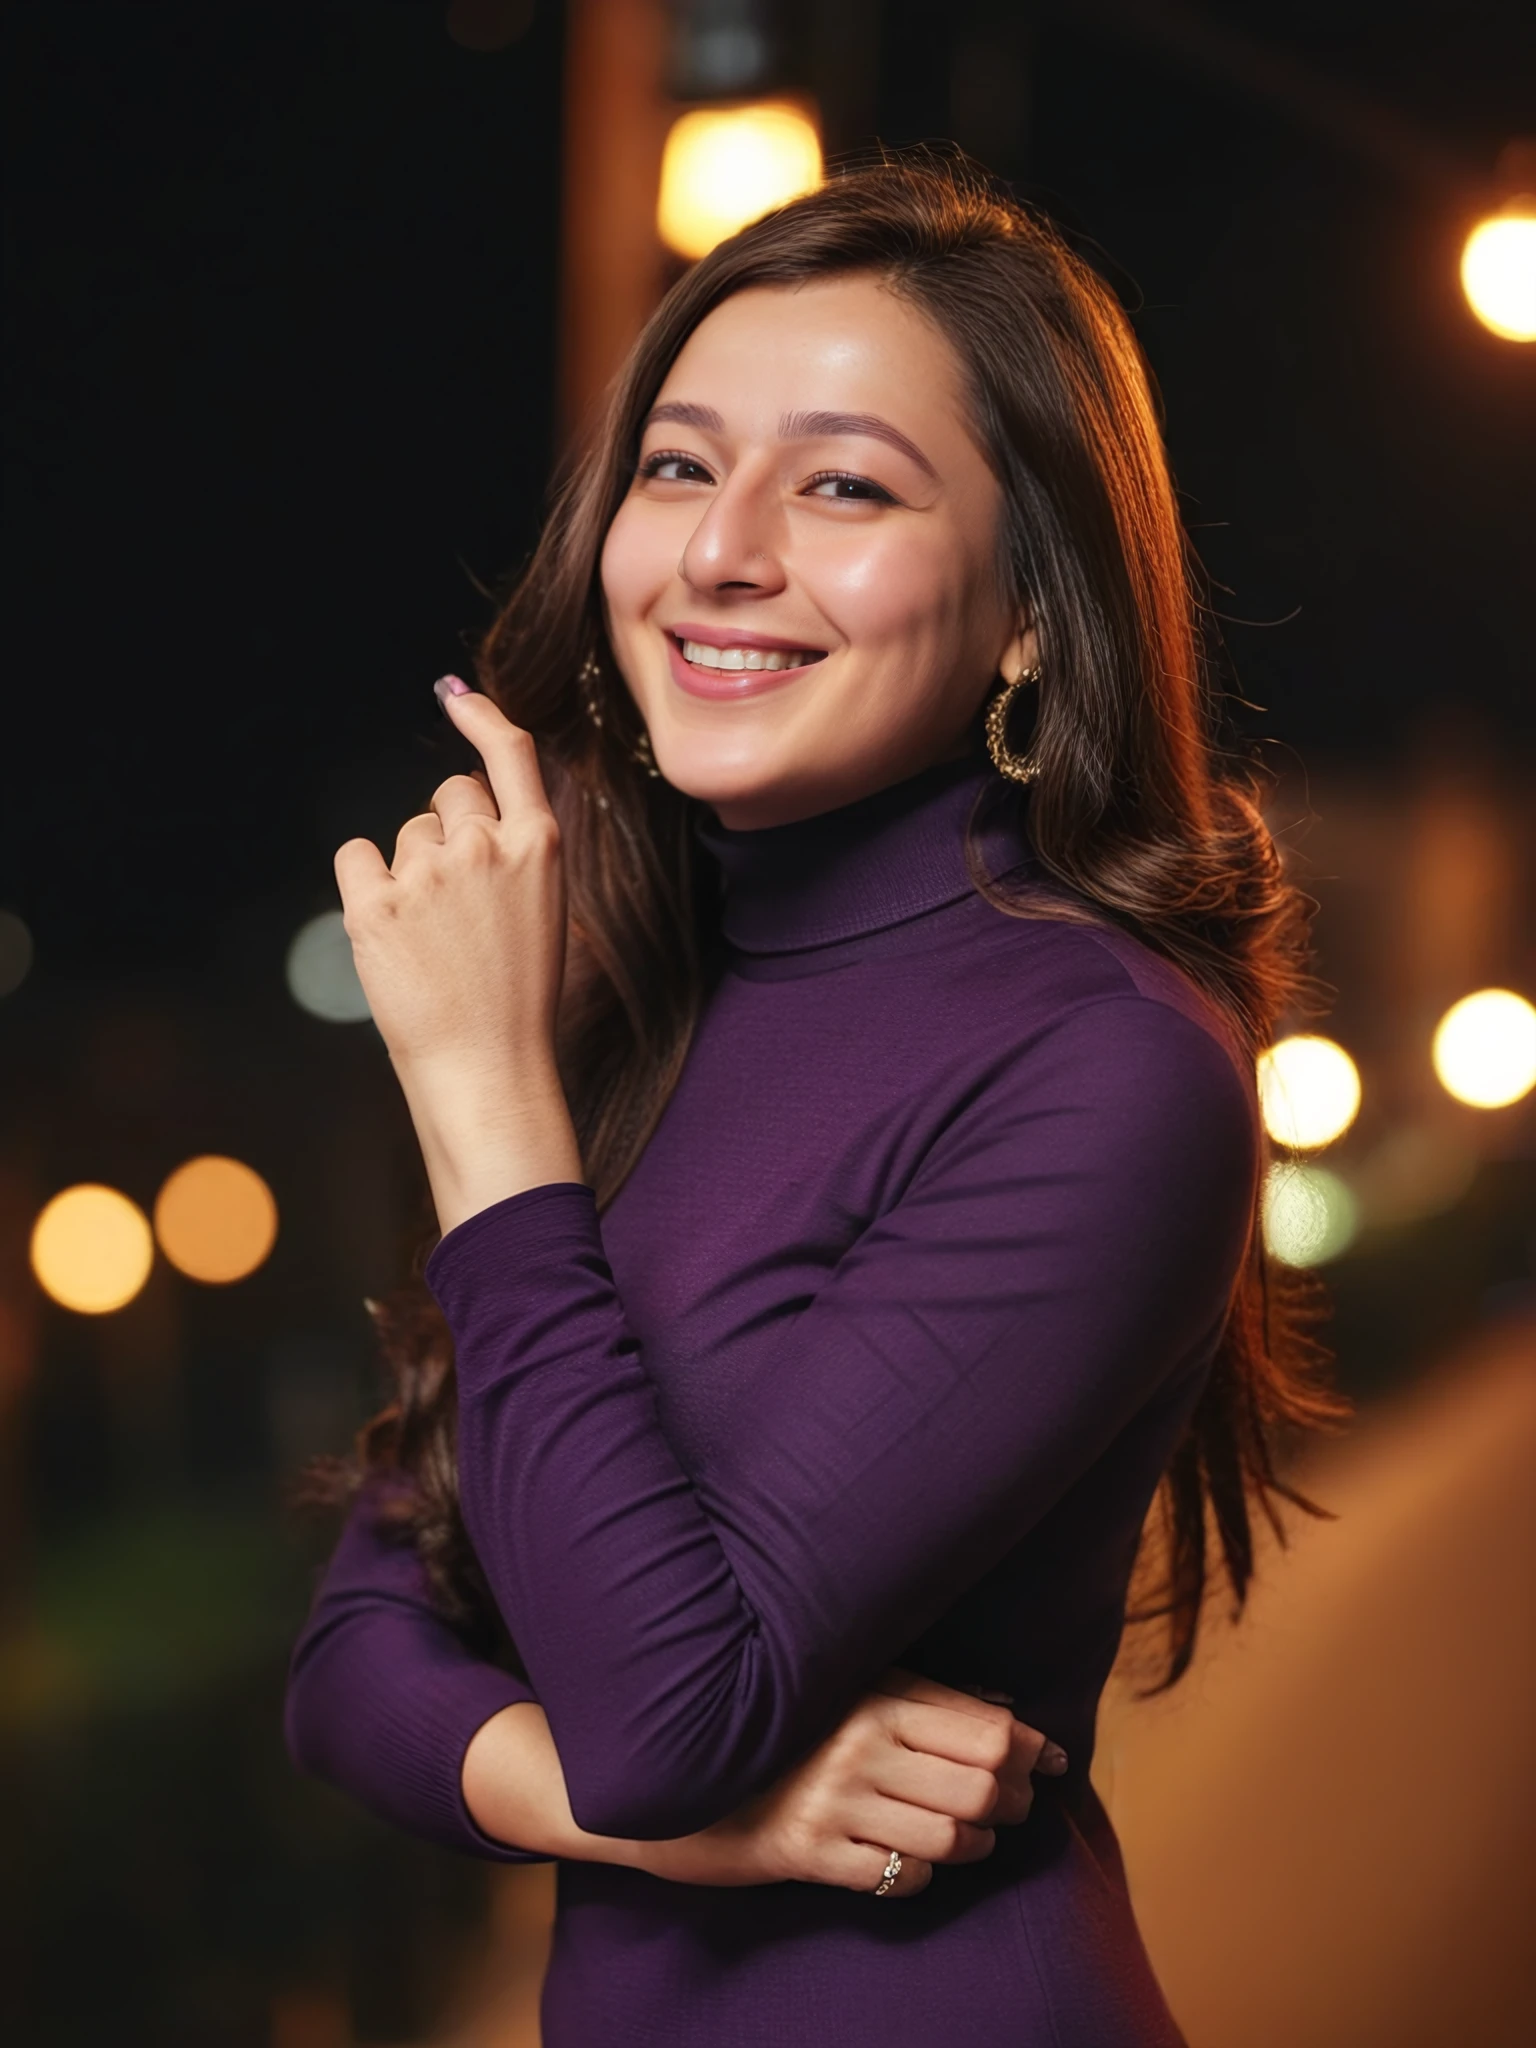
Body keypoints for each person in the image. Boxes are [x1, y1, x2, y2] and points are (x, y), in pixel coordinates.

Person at [285, 157, 1336, 2045]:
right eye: (680, 466)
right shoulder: (622, 994)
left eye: (845, 484)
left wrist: (475, 1090)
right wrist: (680, 1829)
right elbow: (356, 1658)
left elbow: (662, 1715)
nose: (718, 550)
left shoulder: (1109, 1060)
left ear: (1036, 609)